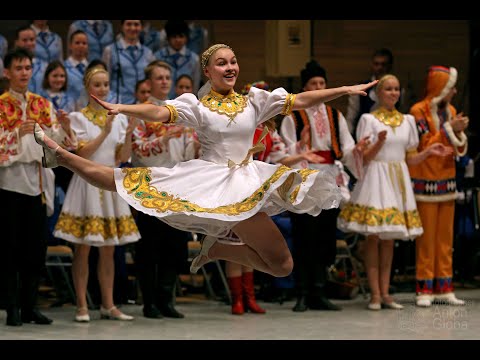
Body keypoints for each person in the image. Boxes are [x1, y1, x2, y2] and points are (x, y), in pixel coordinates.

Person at [32, 43, 378, 281]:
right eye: (222, 63)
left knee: (282, 266)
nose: (230, 67)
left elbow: (301, 99)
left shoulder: (254, 101)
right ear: (209, 71)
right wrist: (124, 108)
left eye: (233, 61)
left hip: (248, 181)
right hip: (217, 185)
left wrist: (344, 89)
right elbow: (158, 111)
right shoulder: (196, 106)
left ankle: (217, 252)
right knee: (125, 180)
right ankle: (61, 155)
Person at [337, 74, 453, 310]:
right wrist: (378, 143)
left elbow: (409, 158)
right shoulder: (368, 120)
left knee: (389, 239)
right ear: (378, 93)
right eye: (388, 89)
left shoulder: (408, 121)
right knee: (373, 237)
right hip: (375, 179)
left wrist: (429, 153)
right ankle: (375, 294)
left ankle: (387, 292)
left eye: (396, 89)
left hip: (397, 180)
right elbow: (364, 159)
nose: (393, 93)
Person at [52, 66, 140, 322]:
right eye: (97, 85)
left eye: (105, 85)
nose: (103, 89)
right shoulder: (79, 118)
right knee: (83, 248)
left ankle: (108, 304)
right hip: (87, 184)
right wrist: (105, 130)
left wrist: (128, 133)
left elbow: (122, 158)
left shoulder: (119, 117)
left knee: (109, 250)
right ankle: (81, 305)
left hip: (110, 183)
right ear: (89, 90)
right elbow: (82, 155)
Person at [280, 60, 369, 312]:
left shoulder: (335, 115)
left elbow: (347, 148)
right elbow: (285, 150)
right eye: (313, 84)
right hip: (304, 178)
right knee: (304, 234)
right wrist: (301, 149)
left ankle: (319, 290)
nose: (319, 87)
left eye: (322, 83)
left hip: (328, 176)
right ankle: (302, 291)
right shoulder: (293, 115)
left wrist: (358, 151)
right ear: (305, 88)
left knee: (325, 235)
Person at [0, 48, 76, 326]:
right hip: (8, 184)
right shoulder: (1, 104)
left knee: (34, 250)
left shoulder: (41, 104)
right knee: (9, 250)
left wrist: (64, 128)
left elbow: (56, 141)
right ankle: (12, 308)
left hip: (38, 183)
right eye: (18, 68)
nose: (24, 73)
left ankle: (30, 306)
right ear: (7, 72)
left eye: (27, 68)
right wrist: (13, 134)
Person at [132, 60, 195, 319]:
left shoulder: (178, 109)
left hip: (177, 184)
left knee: (174, 244)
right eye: (159, 77)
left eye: (167, 77)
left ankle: (167, 299)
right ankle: (149, 302)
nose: (165, 81)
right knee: (150, 246)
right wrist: (164, 138)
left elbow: (189, 146)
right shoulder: (142, 111)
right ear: (149, 82)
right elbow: (137, 149)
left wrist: (195, 144)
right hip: (151, 185)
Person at [408, 66, 469, 307]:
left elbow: (457, 148)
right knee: (427, 239)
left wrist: (459, 132)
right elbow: (423, 145)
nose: (454, 91)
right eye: (450, 87)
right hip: (425, 183)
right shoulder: (417, 111)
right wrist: (449, 130)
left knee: (445, 238)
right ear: (440, 89)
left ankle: (445, 286)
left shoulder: (451, 110)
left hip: (448, 181)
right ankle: (424, 287)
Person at [346, 48, 396, 136]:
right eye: (376, 64)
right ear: (372, 65)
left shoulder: (398, 91)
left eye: (383, 64)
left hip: (391, 135)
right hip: (364, 136)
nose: (379, 68)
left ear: (390, 66)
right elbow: (351, 118)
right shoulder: (360, 88)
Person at [154, 20, 201, 99]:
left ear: (186, 38)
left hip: (186, 103)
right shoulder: (158, 57)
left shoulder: (193, 59)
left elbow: (195, 86)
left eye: (181, 36)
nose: (178, 40)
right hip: (163, 102)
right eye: (174, 37)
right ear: (168, 38)